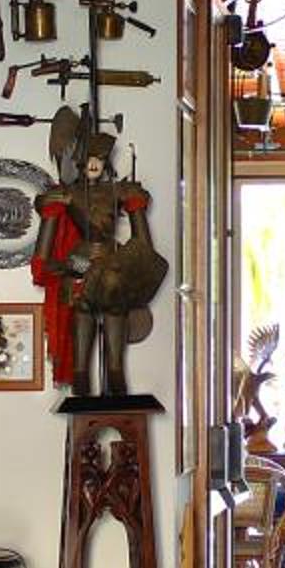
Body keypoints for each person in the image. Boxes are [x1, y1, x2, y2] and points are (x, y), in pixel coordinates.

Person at [33, 109, 167, 402]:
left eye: (100, 158)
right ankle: (81, 373)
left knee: (115, 308)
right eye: (89, 158)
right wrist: (61, 265)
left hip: (112, 260)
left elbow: (144, 245)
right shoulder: (66, 193)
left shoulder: (120, 191)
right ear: (80, 161)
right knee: (83, 308)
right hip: (81, 261)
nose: (94, 164)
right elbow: (43, 252)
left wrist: (138, 266)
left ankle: (116, 371)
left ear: (106, 162)